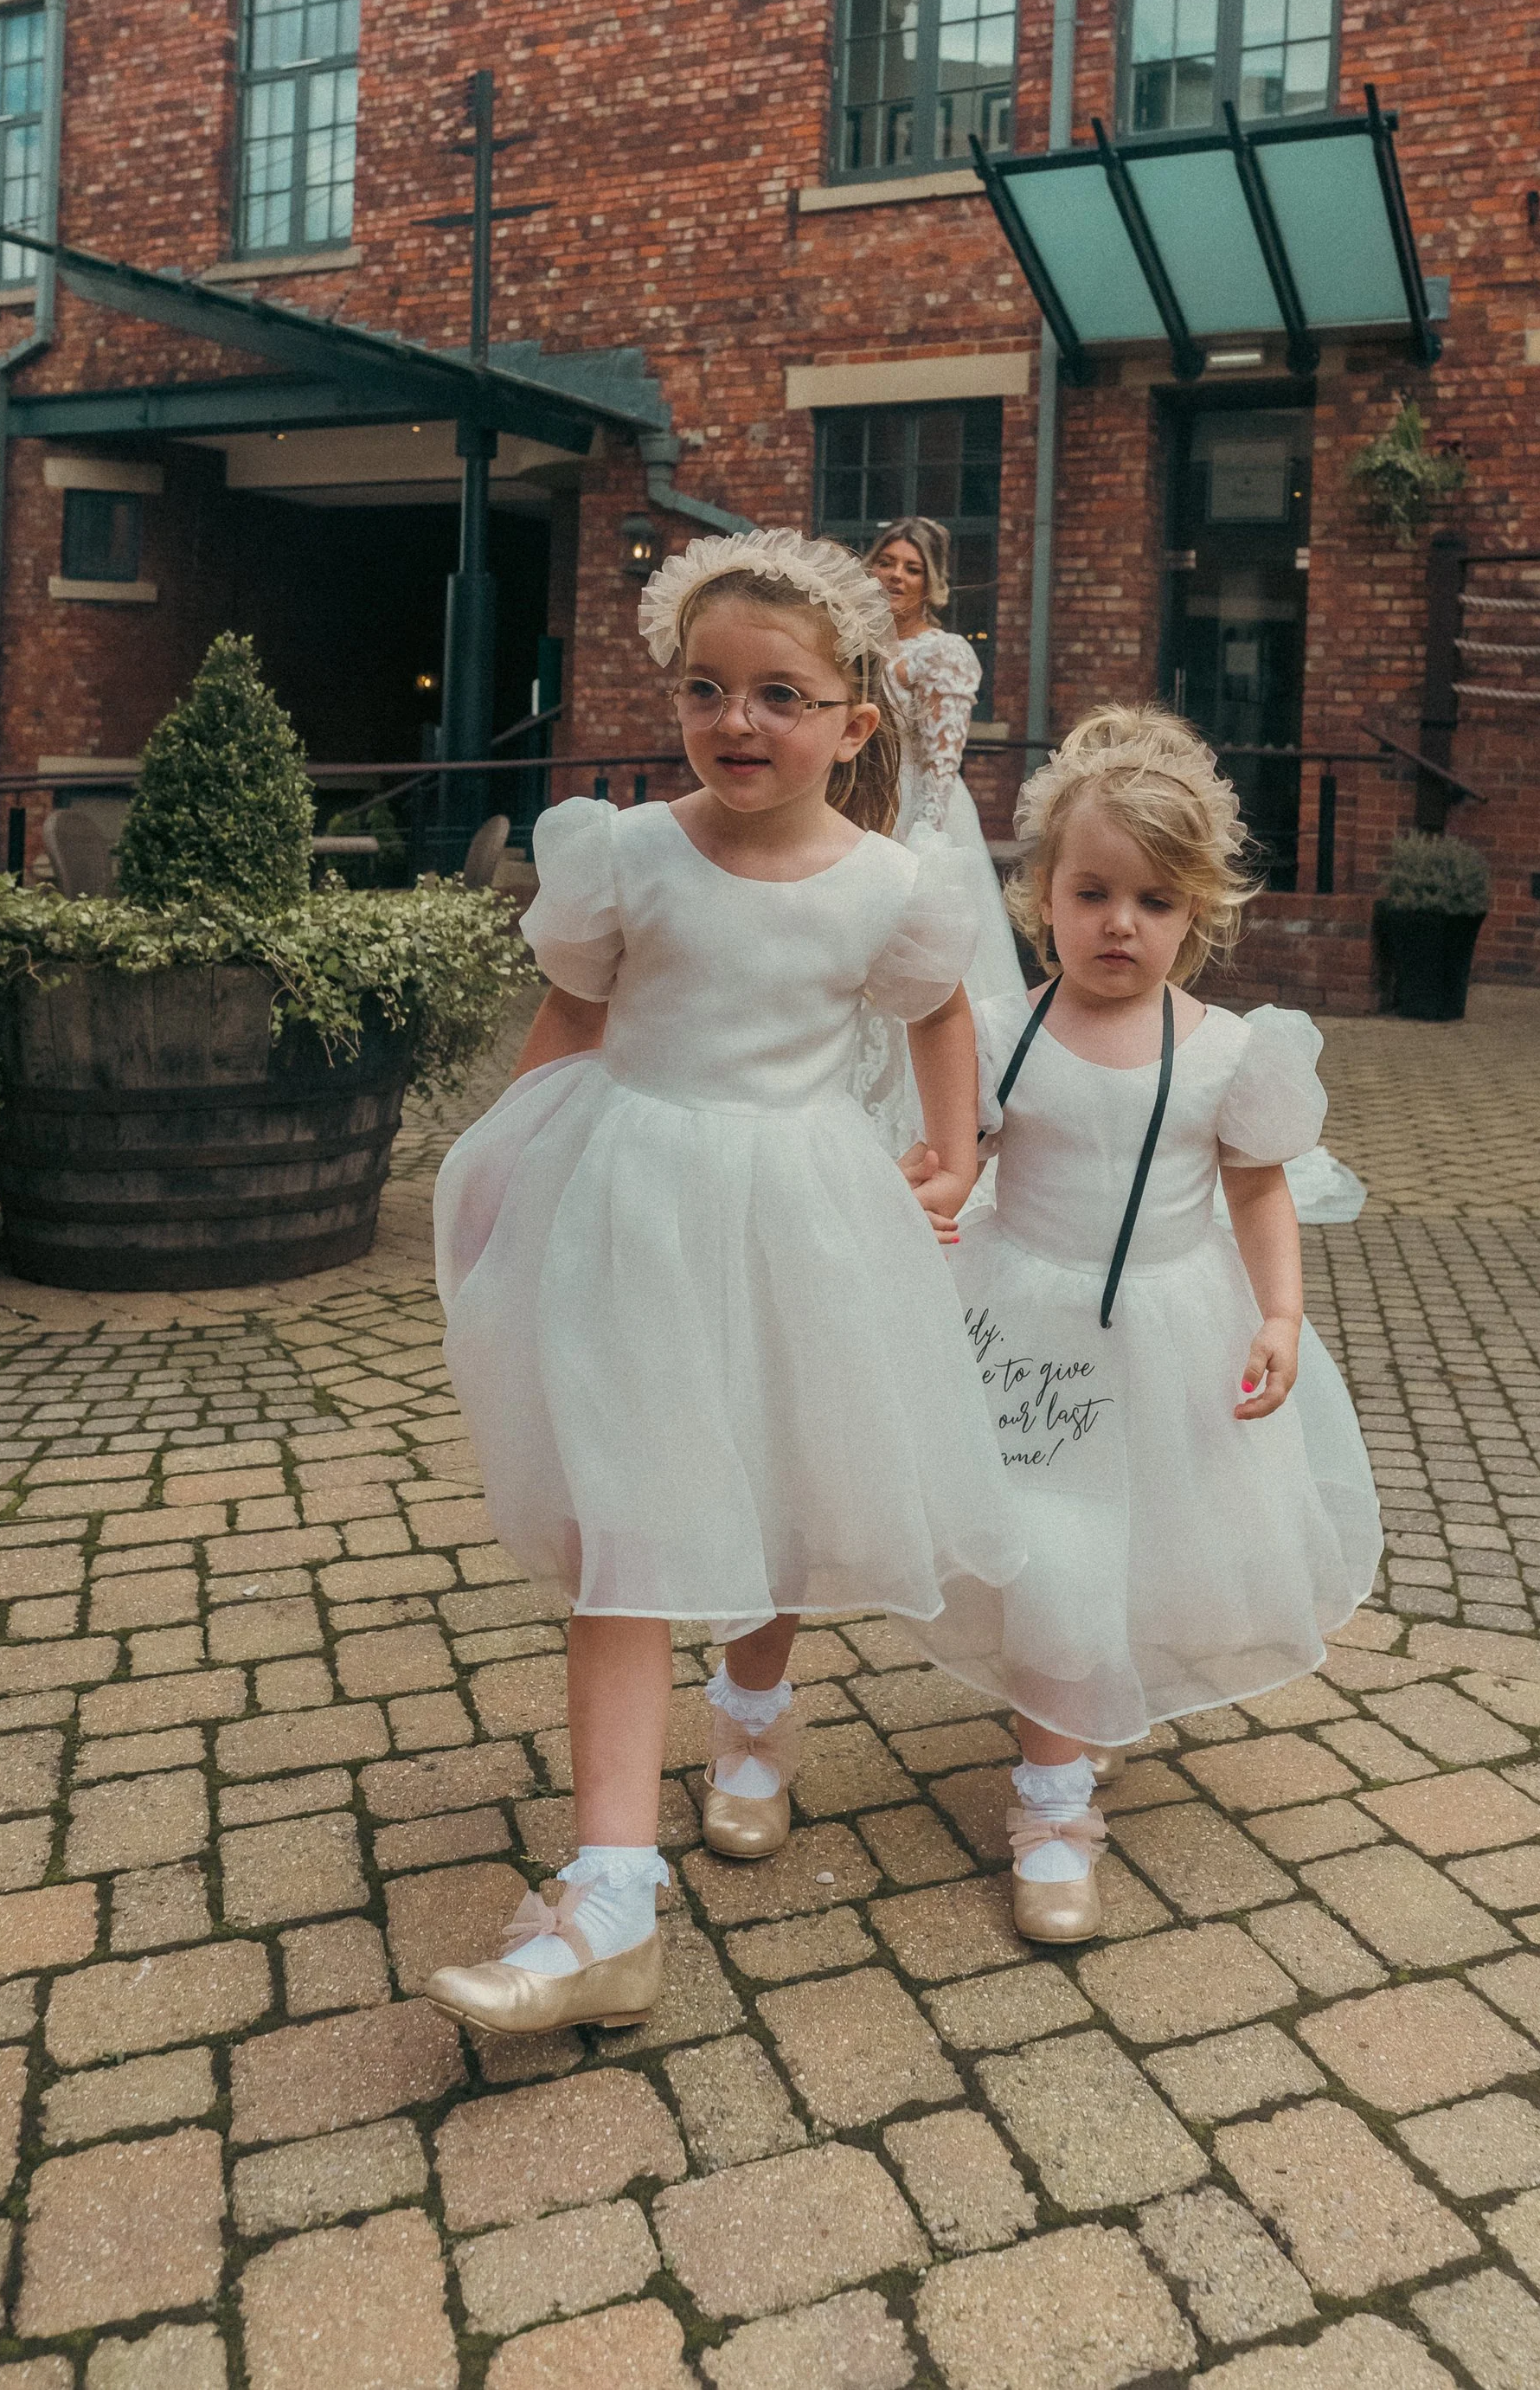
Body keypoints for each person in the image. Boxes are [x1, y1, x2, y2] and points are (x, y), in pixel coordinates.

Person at [424, 530, 1017, 2034]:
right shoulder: (627, 854)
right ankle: (614, 1893)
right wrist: (499, 1163)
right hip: (629, 1204)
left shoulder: (887, 884)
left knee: (774, 1476)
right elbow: (571, 1015)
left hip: (799, 1213)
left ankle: (751, 1716)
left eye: (779, 694)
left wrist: (949, 1156)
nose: (737, 721)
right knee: (625, 1521)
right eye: (705, 688)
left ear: (852, 725)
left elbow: (941, 1009)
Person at [914, 704, 1383, 1943]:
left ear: (1200, 913)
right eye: (1093, 891)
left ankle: (1080, 1708)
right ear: (1042, 899)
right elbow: (960, 1158)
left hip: (1172, 1326)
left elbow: (1255, 1187)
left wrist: (1279, 1309)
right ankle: (1054, 1805)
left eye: (1157, 901)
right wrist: (931, 1212)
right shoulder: (1005, 1036)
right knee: (1051, 1545)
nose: (1122, 923)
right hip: (1028, 1330)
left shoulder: (1231, 1052)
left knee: (1138, 1546)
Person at [854, 516, 1027, 1150]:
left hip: (921, 812)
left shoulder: (944, 653)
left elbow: (943, 760)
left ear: (932, 582)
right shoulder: (859, 643)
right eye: (887, 561)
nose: (895, 575)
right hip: (862, 809)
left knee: (925, 957)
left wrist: (920, 844)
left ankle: (941, 1118)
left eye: (911, 567)